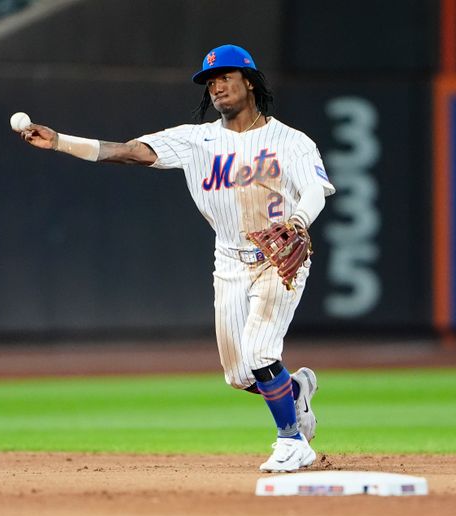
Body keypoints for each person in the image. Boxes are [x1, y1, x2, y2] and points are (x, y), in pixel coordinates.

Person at [17, 44, 335, 472]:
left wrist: (297, 221)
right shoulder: (196, 139)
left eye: (225, 77)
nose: (217, 86)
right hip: (229, 260)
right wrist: (60, 142)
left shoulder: (290, 142)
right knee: (240, 374)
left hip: (279, 258)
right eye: (211, 81)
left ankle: (292, 441)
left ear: (251, 82)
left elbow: (316, 188)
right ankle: (293, 393)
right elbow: (129, 150)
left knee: (261, 352)